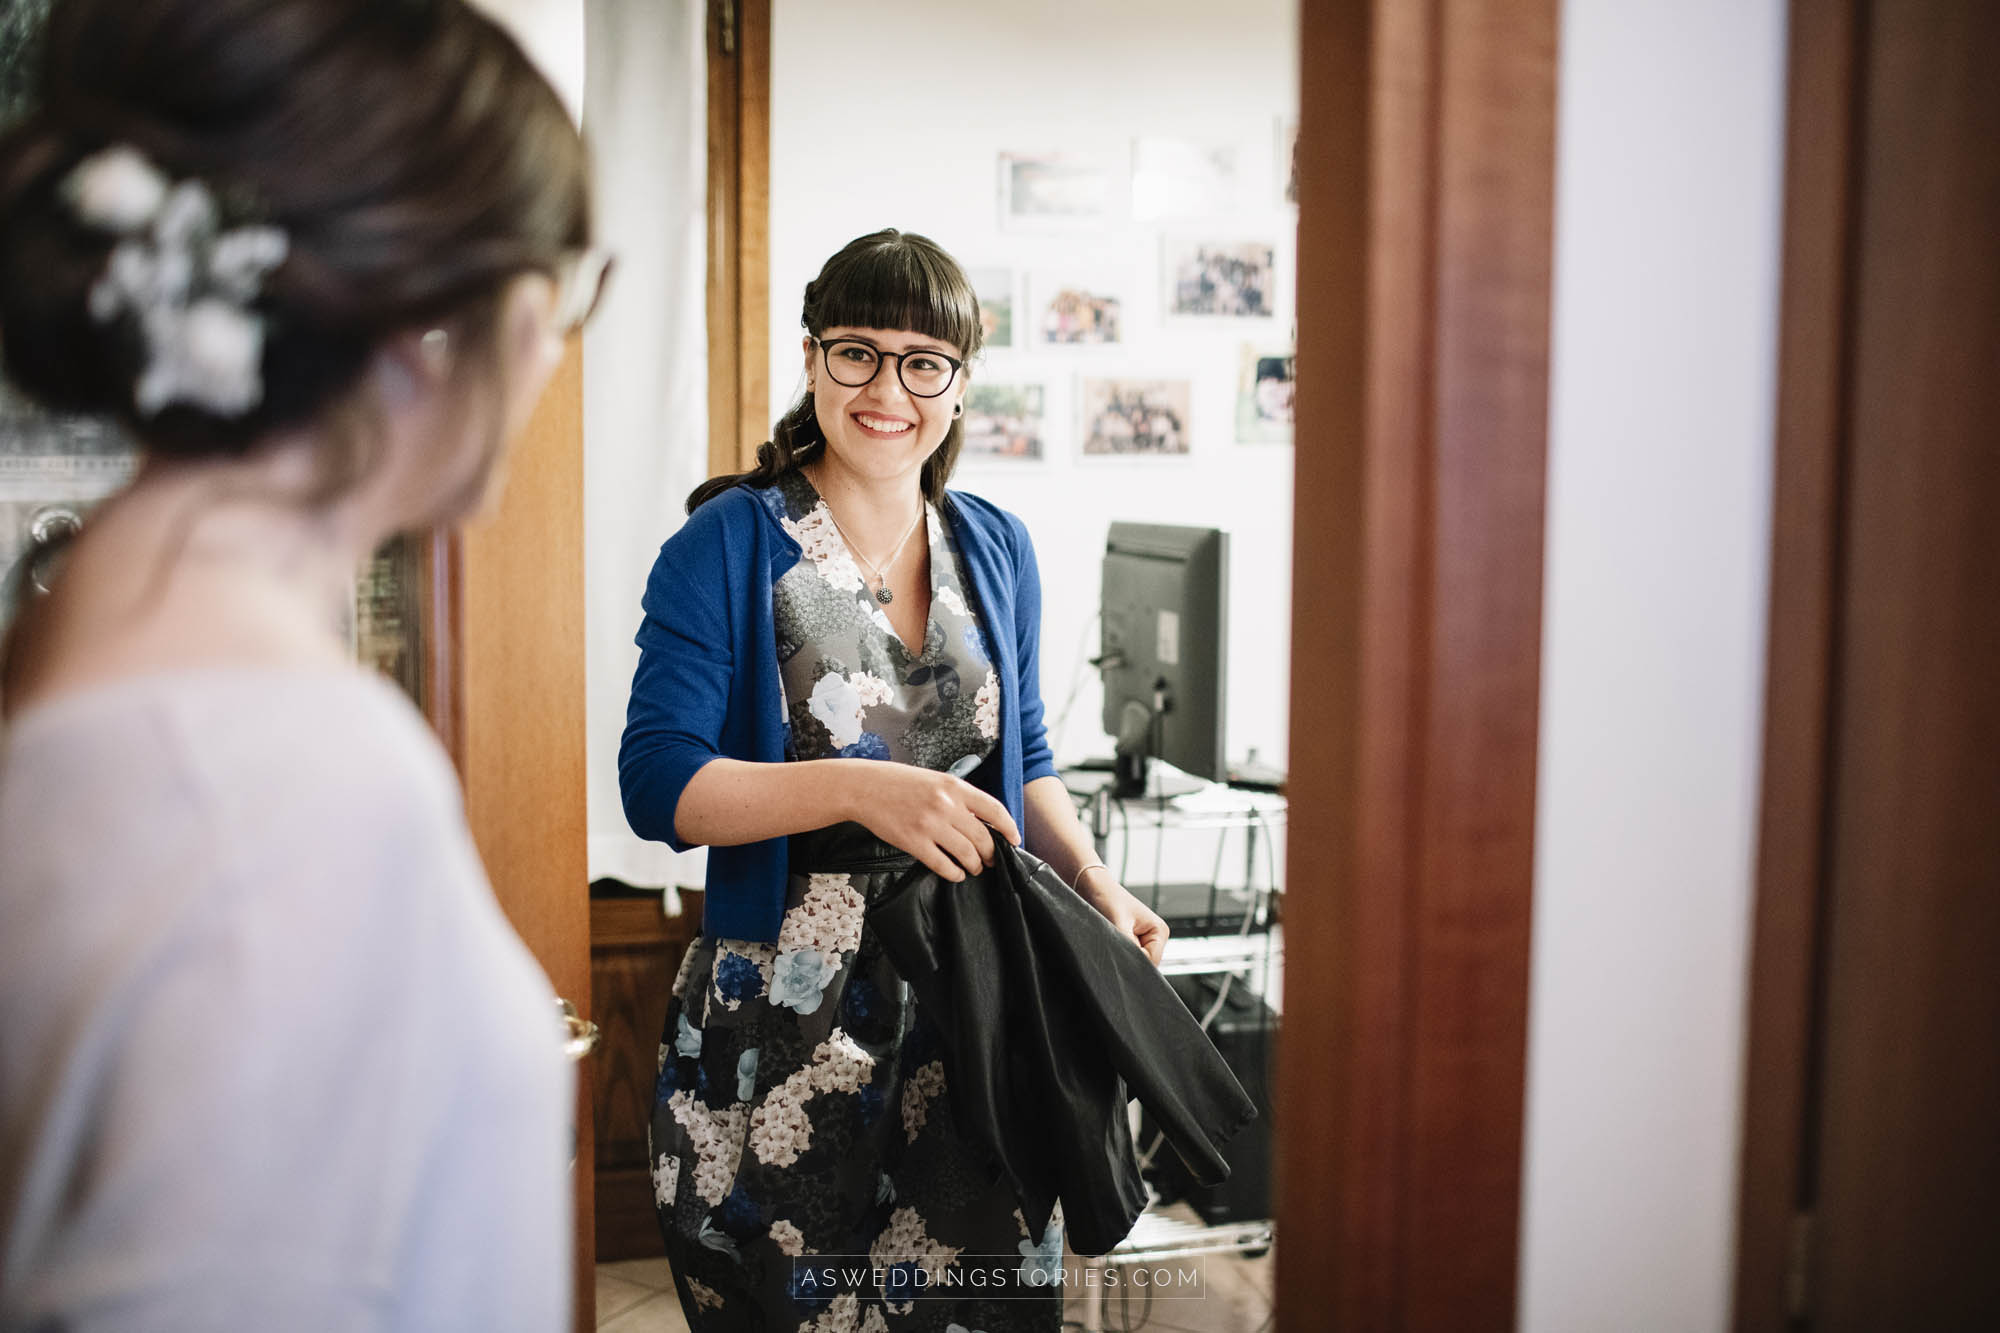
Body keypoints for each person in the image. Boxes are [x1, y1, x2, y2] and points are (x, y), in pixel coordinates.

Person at [0, 2, 600, 1328]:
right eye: (559, 290)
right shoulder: (290, 780)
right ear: (430, 322)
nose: (551, 351)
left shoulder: (81, 624)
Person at [620, 228, 1171, 1331]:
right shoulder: (728, 543)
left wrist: (1093, 876)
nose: (887, 389)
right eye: (857, 352)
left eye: (923, 362)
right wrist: (861, 789)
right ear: (812, 358)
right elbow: (658, 781)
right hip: (783, 1014)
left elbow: (1026, 758)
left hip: (978, 1001)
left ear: (959, 386)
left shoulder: (995, 545)